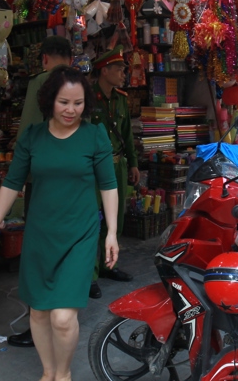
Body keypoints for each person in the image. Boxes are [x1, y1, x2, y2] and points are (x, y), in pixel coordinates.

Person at [0, 66, 118, 381]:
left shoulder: (94, 136)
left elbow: (109, 186)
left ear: (87, 104)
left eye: (78, 103)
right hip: (40, 235)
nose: (71, 110)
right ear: (49, 101)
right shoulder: (33, 136)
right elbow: (12, 183)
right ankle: (48, 372)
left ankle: (64, 374)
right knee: (39, 312)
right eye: (63, 102)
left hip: (79, 236)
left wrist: (111, 233)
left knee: (64, 318)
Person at [8, 35, 73, 349]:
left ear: (45, 58)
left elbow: (28, 135)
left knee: (39, 256)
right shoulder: (78, 85)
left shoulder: (41, 83)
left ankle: (40, 327)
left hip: (43, 182)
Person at [89, 46, 139, 298]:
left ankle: (111, 264)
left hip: (117, 165)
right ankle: (90, 274)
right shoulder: (87, 98)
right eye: (118, 69)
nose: (123, 74)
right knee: (91, 220)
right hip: (94, 168)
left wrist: (133, 163)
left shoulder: (120, 99)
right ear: (104, 70)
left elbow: (127, 134)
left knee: (115, 219)